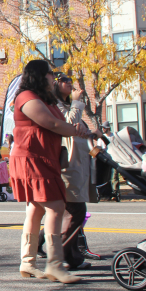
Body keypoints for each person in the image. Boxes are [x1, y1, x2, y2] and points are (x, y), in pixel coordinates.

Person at [11, 60, 89, 284]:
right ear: (38, 75)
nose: (53, 78)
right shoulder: (26, 97)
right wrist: (75, 130)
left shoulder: (47, 99)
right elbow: (52, 124)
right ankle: (54, 264)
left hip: (45, 158)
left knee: (35, 209)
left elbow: (61, 122)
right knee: (56, 206)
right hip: (32, 159)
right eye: (50, 74)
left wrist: (76, 127)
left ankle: (28, 262)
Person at [53, 74, 100, 271]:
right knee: (75, 211)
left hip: (79, 163)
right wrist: (77, 102)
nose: (70, 83)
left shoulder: (69, 105)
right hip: (68, 165)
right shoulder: (56, 105)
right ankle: (60, 257)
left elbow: (78, 129)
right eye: (64, 79)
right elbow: (67, 123)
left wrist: (93, 133)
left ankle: (70, 257)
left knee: (71, 213)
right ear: (56, 83)